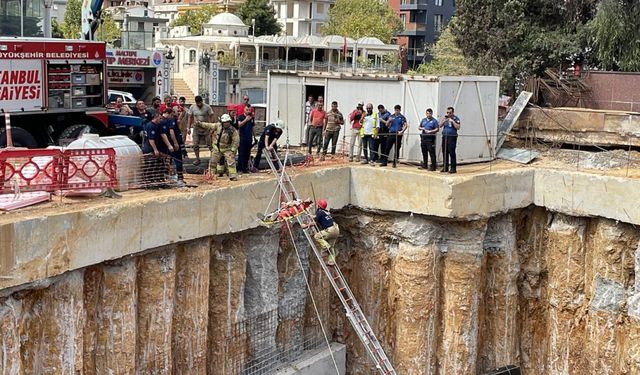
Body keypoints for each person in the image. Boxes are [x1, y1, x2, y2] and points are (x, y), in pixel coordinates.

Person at [196, 113, 239, 181]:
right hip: (217, 148)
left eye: (227, 122)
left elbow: (236, 141)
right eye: (224, 122)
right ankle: (211, 175)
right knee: (213, 162)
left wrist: (232, 150)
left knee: (231, 163)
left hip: (227, 149)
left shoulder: (233, 131)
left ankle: (233, 176)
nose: (226, 124)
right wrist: (200, 124)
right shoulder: (218, 126)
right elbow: (209, 125)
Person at [142, 112, 173, 186]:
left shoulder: (156, 125)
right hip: (149, 149)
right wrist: (155, 149)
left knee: (158, 165)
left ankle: (158, 180)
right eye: (159, 118)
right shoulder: (151, 126)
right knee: (150, 166)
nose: (160, 119)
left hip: (155, 148)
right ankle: (149, 182)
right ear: (155, 117)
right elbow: (151, 139)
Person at [311, 199, 340, 265]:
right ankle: (331, 262)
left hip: (330, 230)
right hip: (336, 229)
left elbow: (314, 222)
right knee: (332, 247)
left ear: (319, 206)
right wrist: (313, 216)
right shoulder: (327, 212)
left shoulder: (320, 213)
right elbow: (318, 217)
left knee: (317, 237)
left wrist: (306, 225)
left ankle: (326, 246)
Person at [163, 107, 186, 187]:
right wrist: (175, 143)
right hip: (174, 144)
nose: (179, 113)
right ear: (172, 112)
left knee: (168, 160)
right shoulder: (172, 119)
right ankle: (180, 180)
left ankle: (167, 177)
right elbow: (171, 131)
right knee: (178, 161)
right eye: (178, 111)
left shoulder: (165, 120)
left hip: (169, 144)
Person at [188, 95, 214, 165]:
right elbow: (190, 117)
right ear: (196, 102)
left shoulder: (207, 107)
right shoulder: (192, 107)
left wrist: (212, 127)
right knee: (195, 144)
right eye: (197, 103)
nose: (199, 104)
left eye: (200, 103)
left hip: (206, 128)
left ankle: (213, 159)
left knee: (210, 144)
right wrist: (188, 128)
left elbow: (211, 117)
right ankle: (197, 159)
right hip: (196, 128)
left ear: (202, 101)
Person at [440, 106, 461, 174]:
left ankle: (453, 168)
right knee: (445, 152)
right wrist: (444, 121)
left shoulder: (456, 118)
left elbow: (458, 127)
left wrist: (452, 122)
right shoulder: (445, 118)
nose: (448, 114)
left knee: (451, 152)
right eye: (447, 112)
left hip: (452, 137)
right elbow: (440, 125)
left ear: (453, 112)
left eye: (450, 112)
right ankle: (445, 167)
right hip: (445, 137)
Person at [236, 105, 255, 173]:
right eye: (247, 110)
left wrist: (254, 136)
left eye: (249, 110)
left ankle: (245, 168)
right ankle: (240, 168)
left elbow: (252, 127)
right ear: (244, 110)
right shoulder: (241, 117)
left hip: (249, 138)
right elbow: (239, 125)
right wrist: (246, 120)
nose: (248, 111)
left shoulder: (252, 118)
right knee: (241, 154)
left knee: (247, 153)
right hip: (242, 138)